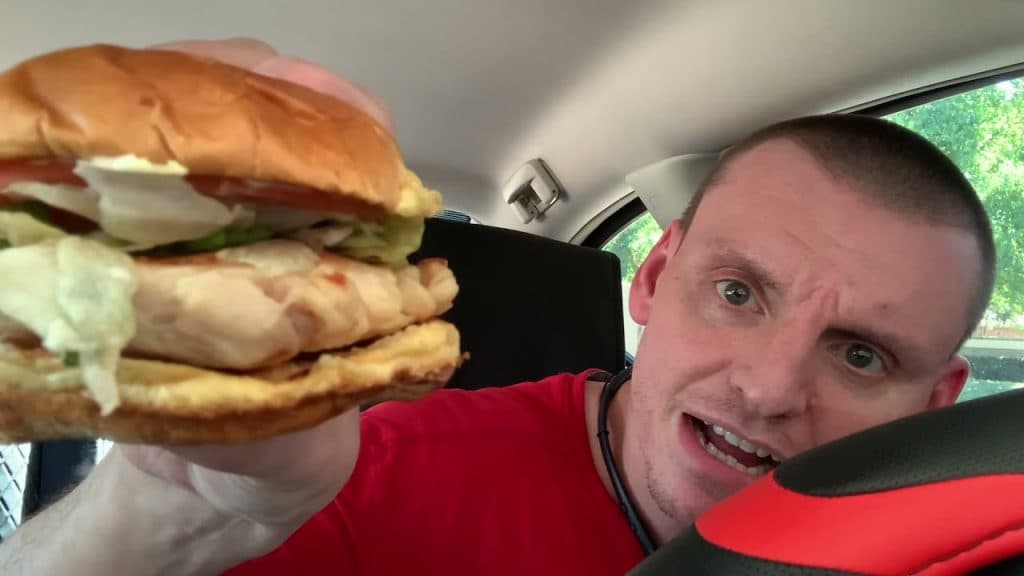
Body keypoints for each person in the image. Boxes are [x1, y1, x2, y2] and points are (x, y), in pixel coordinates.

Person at [0, 38, 995, 576]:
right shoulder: (373, 482)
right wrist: (170, 513)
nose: (770, 389)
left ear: (939, 402)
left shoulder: (965, 546)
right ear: (652, 280)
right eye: (736, 294)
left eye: (859, 357)